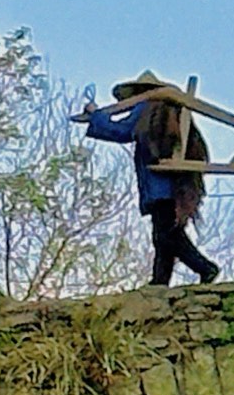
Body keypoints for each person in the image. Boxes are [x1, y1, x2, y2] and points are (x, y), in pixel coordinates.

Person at [81, 72, 221, 285]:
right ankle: (160, 281)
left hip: (162, 185)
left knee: (167, 234)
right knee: (163, 234)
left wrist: (96, 115)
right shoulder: (169, 110)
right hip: (174, 184)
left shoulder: (149, 107)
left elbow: (121, 131)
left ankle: (205, 267)